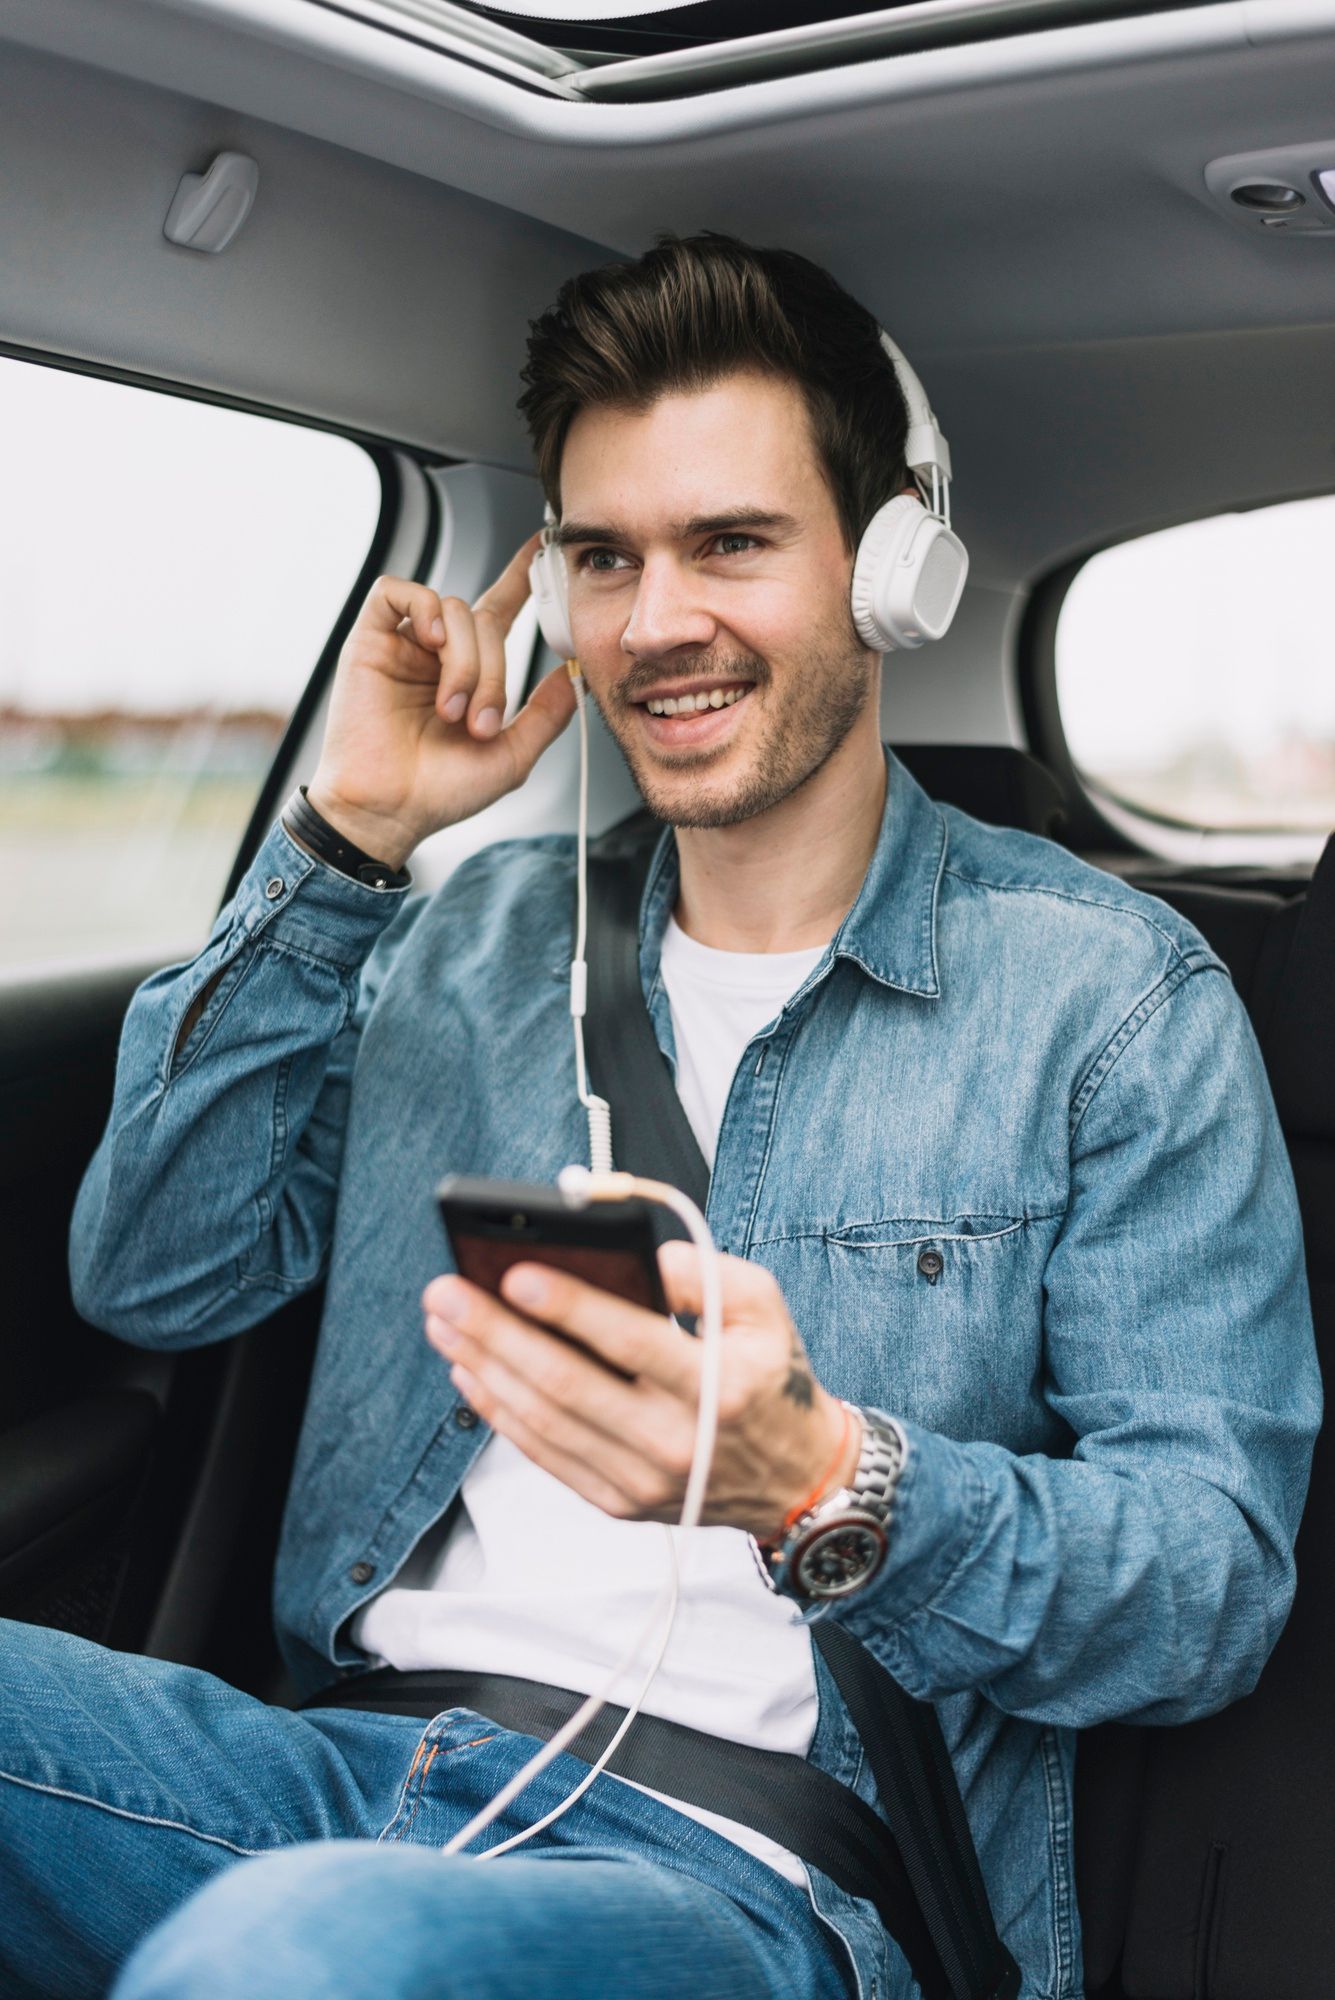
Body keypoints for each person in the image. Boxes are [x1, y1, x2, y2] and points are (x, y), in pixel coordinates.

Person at [0, 235, 1317, 2000]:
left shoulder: (1109, 1001)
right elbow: (157, 1278)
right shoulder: (468, 934)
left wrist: (823, 1484)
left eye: (733, 544)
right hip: (345, 1769)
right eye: (605, 558)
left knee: (307, 1948)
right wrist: (346, 842)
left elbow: (1208, 1590)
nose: (659, 622)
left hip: (765, 1880)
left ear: (890, 568)